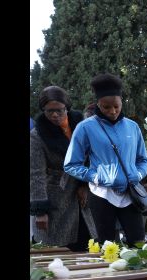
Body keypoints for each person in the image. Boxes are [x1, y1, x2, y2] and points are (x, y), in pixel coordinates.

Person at [64, 74, 147, 245]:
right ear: (98, 104)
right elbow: (71, 164)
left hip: (130, 195)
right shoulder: (85, 127)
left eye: (116, 106)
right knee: (107, 245)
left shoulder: (132, 127)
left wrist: (138, 174)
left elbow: (143, 160)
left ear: (122, 102)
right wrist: (96, 177)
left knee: (138, 243)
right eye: (106, 107)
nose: (112, 111)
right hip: (101, 194)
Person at [30, 86, 95, 250]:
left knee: (87, 245)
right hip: (55, 197)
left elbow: (92, 156)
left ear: (67, 107)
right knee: (55, 249)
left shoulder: (82, 126)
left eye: (59, 110)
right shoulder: (37, 136)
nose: (54, 115)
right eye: (49, 111)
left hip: (83, 196)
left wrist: (84, 184)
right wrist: (40, 210)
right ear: (43, 110)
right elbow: (36, 174)